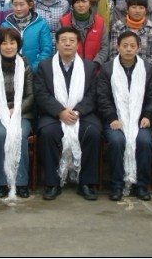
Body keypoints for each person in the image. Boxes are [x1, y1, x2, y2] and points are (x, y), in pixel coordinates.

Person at [35, 27, 101, 201]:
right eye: (63, 40)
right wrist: (60, 112)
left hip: (82, 113)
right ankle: (52, 183)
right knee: (48, 133)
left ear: (78, 44)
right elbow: (41, 94)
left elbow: (93, 95)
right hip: (54, 114)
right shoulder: (45, 66)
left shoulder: (89, 67)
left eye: (72, 40)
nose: (67, 44)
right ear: (57, 44)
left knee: (93, 132)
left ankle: (86, 183)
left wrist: (77, 111)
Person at [98, 30, 152, 201]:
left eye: (132, 46)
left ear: (139, 48)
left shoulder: (148, 69)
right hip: (115, 119)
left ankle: (141, 185)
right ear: (118, 47)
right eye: (125, 46)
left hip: (140, 119)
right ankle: (117, 186)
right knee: (117, 141)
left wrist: (148, 115)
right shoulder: (108, 69)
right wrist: (112, 118)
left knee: (145, 141)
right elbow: (103, 98)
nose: (129, 49)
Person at [0, 28, 35, 198]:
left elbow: (30, 95)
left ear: (18, 45)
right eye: (4, 43)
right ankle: (1, 183)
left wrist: (15, 111)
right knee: (1, 134)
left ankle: (21, 183)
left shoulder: (26, 66)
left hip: (21, 113)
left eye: (12, 43)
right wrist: (2, 111)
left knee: (18, 133)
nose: (9, 47)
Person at [1, 0, 53, 68]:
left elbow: (46, 51)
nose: (18, 8)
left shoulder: (41, 25)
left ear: (30, 5)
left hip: (34, 70)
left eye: (22, 5)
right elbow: (0, 49)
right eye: (15, 5)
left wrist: (33, 69)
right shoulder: (5, 25)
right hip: (11, 70)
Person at [109, 0, 152, 70]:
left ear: (145, 11)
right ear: (127, 9)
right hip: (121, 70)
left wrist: (146, 70)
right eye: (134, 7)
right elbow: (113, 53)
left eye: (141, 8)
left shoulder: (151, 27)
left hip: (145, 70)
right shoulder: (118, 26)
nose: (137, 11)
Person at [60, 0, 109, 68]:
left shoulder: (100, 22)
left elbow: (104, 47)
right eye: (77, 2)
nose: (81, 5)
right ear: (72, 5)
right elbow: (60, 46)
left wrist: (95, 64)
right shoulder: (63, 22)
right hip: (70, 68)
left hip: (94, 69)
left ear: (90, 4)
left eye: (84, 1)